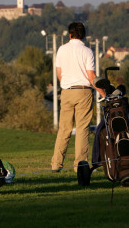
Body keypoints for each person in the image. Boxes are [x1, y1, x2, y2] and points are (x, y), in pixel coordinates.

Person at [51, 22, 106, 172]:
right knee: (82, 129)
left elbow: (59, 72)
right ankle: (80, 166)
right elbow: (91, 76)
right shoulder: (87, 51)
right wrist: (103, 92)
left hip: (67, 91)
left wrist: (66, 85)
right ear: (83, 35)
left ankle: (56, 164)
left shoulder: (61, 49)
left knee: (64, 129)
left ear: (70, 34)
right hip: (84, 92)